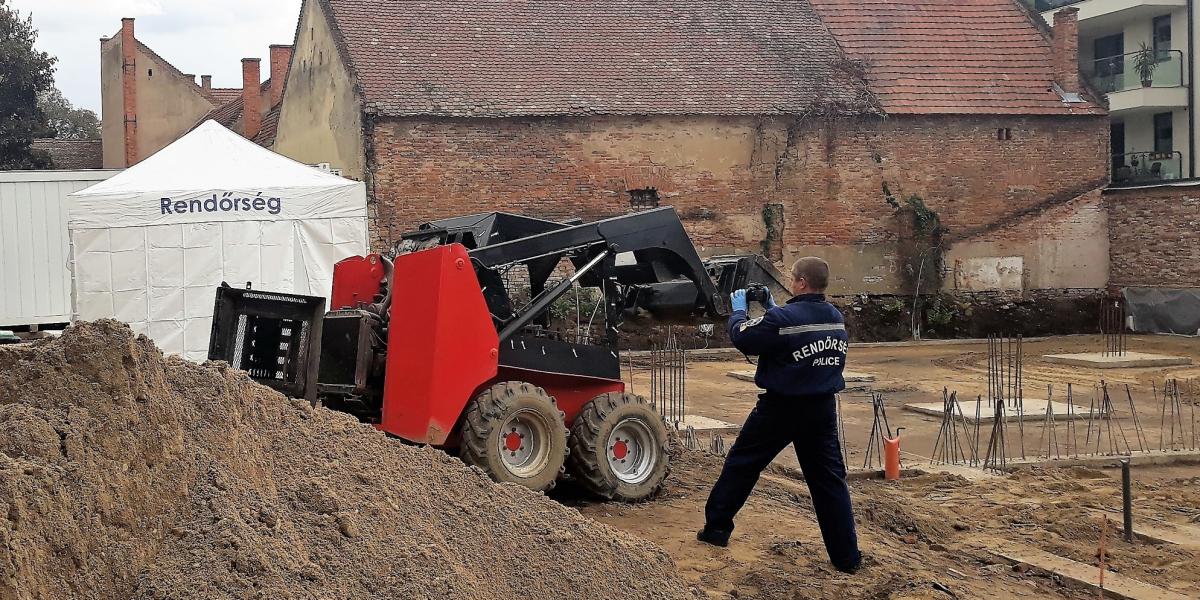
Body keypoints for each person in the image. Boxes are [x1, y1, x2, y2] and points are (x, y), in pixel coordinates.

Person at [697, 256, 862, 574]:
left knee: (742, 465)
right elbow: (795, 335)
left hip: (781, 409)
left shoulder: (784, 319)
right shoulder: (835, 318)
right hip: (822, 410)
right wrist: (773, 308)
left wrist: (739, 310)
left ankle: (716, 530)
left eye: (793, 278)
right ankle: (847, 558)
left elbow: (744, 337)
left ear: (801, 282)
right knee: (829, 482)